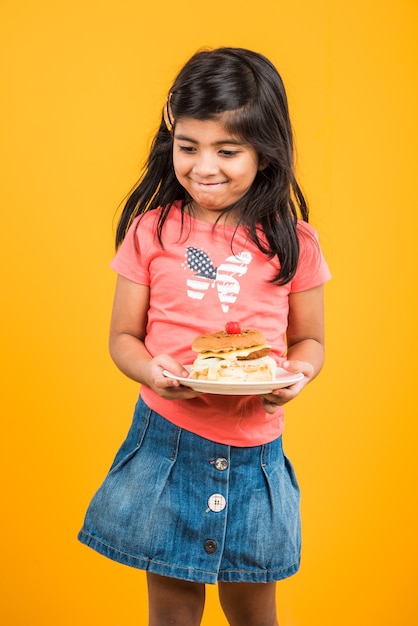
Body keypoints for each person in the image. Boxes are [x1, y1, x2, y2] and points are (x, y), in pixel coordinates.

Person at [78, 47, 331, 626]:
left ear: (264, 153)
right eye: (187, 146)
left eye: (227, 150)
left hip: (254, 452)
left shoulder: (295, 241)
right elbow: (122, 337)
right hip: (168, 444)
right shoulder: (152, 231)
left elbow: (311, 343)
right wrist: (151, 371)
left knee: (251, 603)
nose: (203, 166)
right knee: (172, 603)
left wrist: (297, 375)